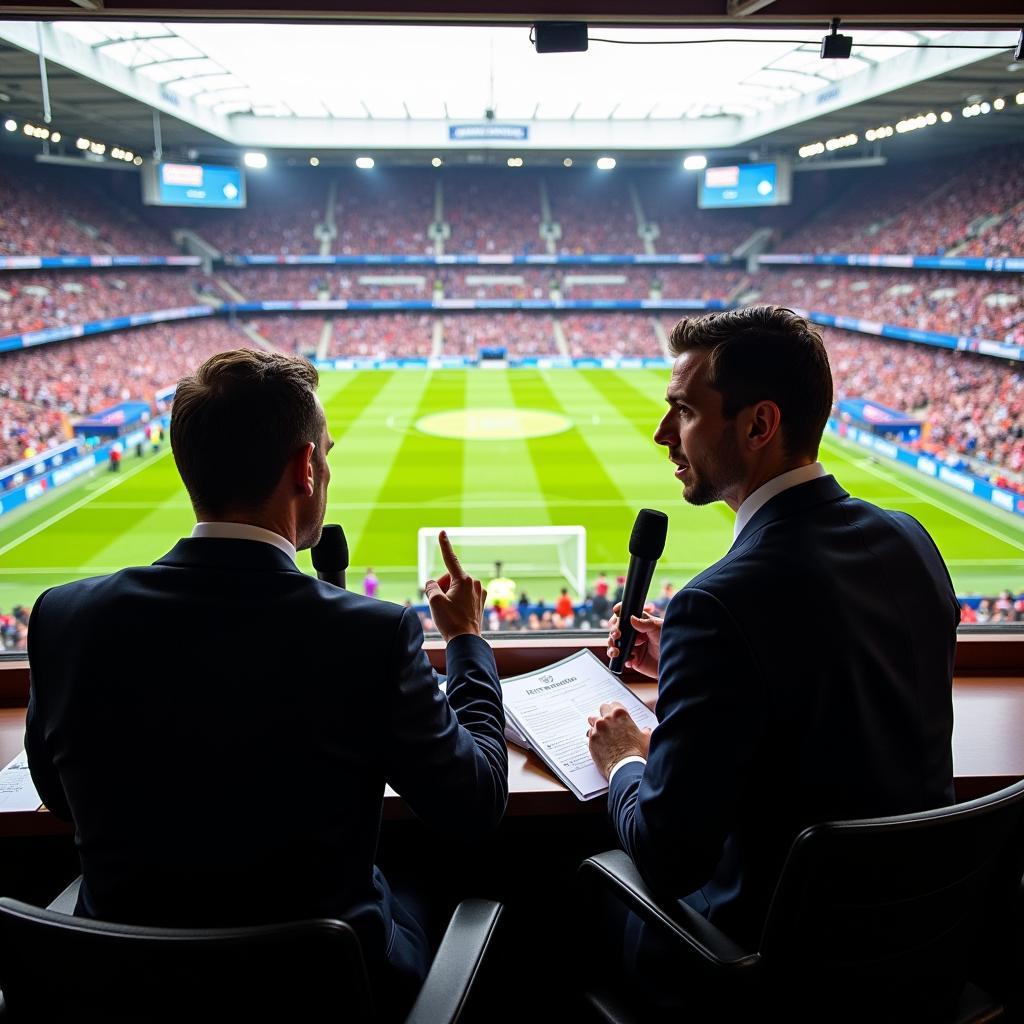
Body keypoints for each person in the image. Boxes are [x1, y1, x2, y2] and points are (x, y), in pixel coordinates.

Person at [26, 349, 508, 1020]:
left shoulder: (63, 618)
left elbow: (58, 796)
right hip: (323, 993)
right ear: (305, 468)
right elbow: (476, 802)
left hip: (123, 990)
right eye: (328, 453)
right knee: (421, 886)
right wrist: (466, 643)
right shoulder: (372, 634)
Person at [586, 307, 959, 1006]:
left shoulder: (720, 603)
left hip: (765, 972)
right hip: (916, 956)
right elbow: (829, 691)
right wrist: (693, 664)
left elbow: (669, 857)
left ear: (759, 425)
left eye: (685, 411)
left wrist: (626, 758)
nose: (665, 434)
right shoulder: (911, 541)